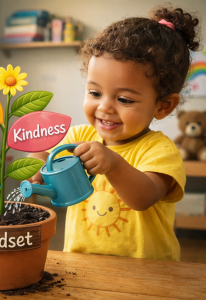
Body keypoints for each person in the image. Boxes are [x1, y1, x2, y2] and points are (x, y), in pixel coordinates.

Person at [27, 5, 200, 261]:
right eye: (95, 93)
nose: (104, 107)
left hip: (147, 275)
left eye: (124, 99)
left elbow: (143, 198)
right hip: (81, 265)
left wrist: (113, 164)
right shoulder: (77, 136)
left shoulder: (160, 151)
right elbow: (43, 155)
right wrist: (37, 167)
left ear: (163, 106)